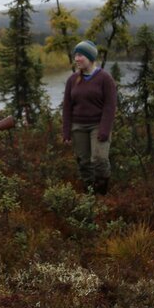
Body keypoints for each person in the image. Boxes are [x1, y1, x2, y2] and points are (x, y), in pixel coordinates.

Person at [62, 40, 117, 195]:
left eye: (80, 55)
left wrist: (105, 130)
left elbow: (110, 106)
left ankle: (102, 194)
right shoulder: (72, 80)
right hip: (78, 127)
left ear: (90, 57)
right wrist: (66, 131)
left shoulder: (105, 78)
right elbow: (67, 107)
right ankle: (89, 195)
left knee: (99, 160)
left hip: (98, 126)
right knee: (84, 163)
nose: (77, 59)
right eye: (75, 56)